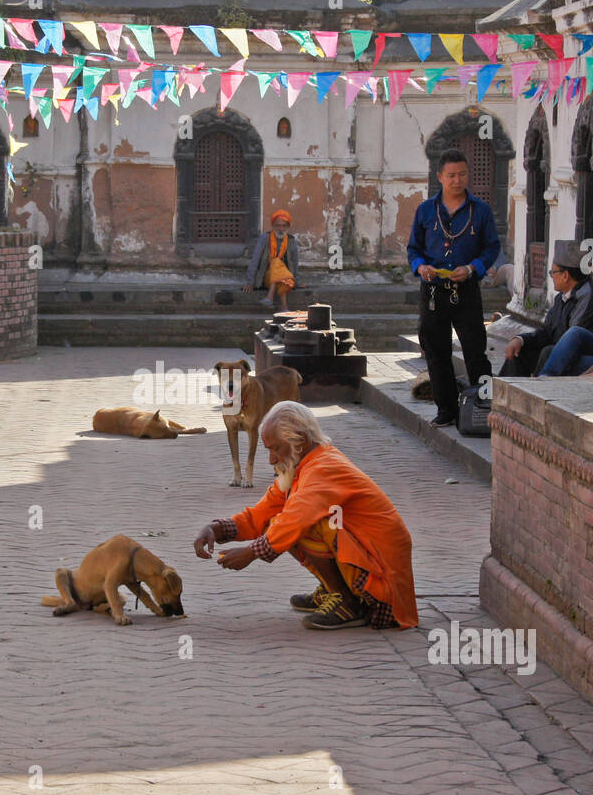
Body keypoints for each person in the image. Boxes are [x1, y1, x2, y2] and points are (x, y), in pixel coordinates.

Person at [193, 402, 418, 632]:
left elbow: (294, 520)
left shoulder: (323, 468)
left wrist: (251, 553)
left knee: (302, 523)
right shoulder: (301, 467)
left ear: (300, 441)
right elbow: (261, 514)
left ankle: (347, 601)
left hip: (385, 588)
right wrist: (216, 528)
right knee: (281, 521)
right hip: (370, 564)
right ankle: (336, 590)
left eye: (275, 449)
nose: (271, 460)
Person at [406, 149, 500, 428]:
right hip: (434, 291)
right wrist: (421, 267)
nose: (457, 180)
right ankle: (446, 409)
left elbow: (492, 247)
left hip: (466, 290)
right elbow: (414, 249)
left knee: (475, 351)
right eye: (451, 176)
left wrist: (472, 269)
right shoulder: (426, 210)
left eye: (461, 174)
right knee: (436, 352)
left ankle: (486, 405)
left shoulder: (480, 211)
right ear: (440, 177)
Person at [501, 240, 593, 377]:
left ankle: (538, 389)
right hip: (564, 354)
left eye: (553, 272)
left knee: (548, 352)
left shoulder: (590, 297)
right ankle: (495, 392)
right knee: (519, 350)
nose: (551, 276)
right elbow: (547, 332)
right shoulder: (561, 298)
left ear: (565, 275)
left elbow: (571, 342)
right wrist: (520, 339)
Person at [244, 210, 299, 309]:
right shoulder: (265, 238)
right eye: (278, 225)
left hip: (286, 279)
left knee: (282, 274)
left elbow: (295, 263)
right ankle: (284, 306)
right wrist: (250, 281)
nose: (281, 229)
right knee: (276, 262)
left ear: (288, 227)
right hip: (267, 278)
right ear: (273, 226)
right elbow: (255, 260)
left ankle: (271, 298)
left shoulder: (291, 240)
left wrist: (297, 281)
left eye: (284, 226)